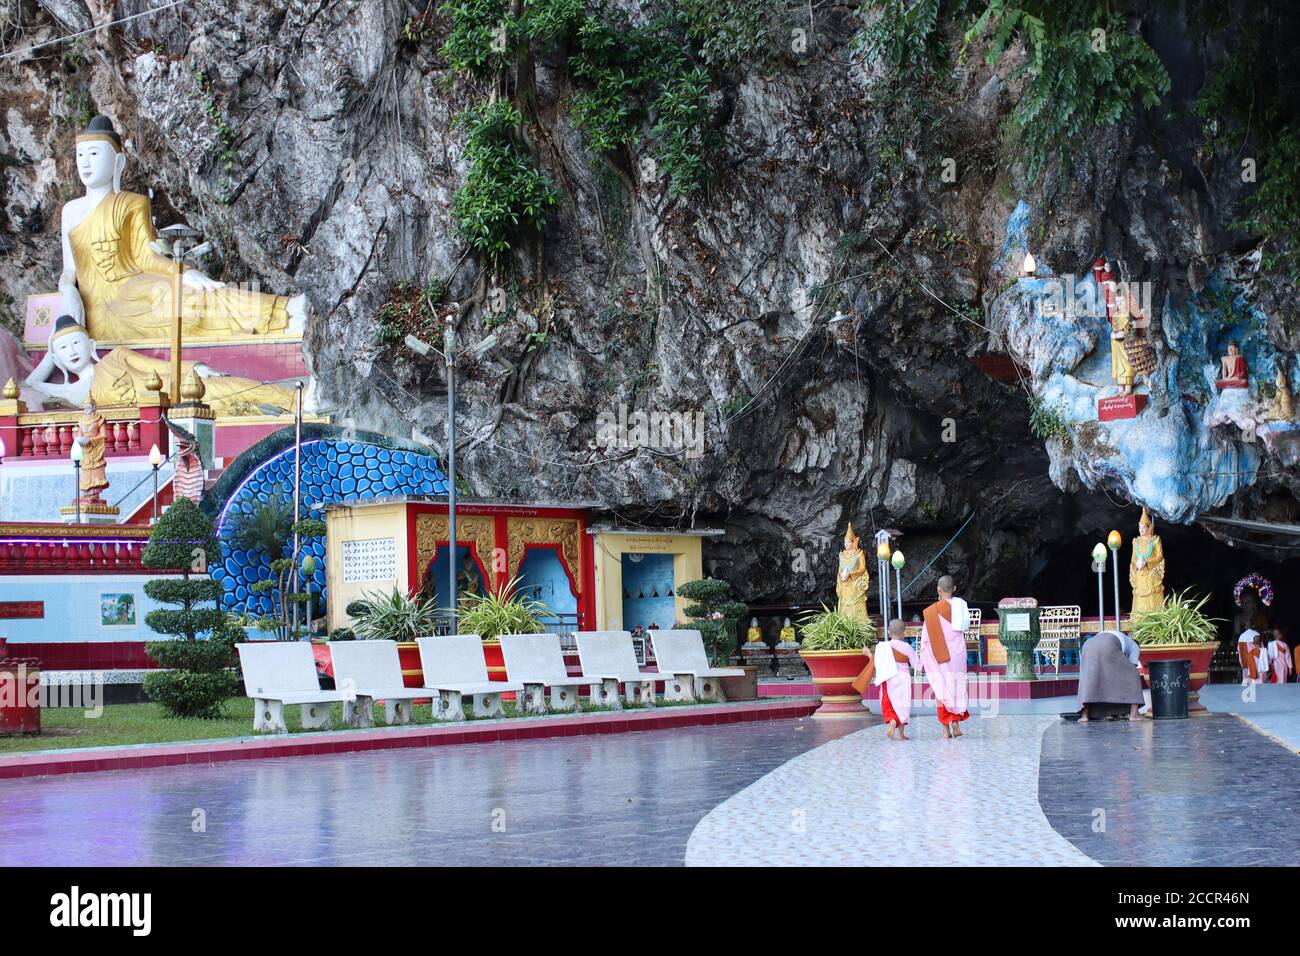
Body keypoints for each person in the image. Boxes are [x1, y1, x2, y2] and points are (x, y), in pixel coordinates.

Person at [919, 574, 969, 738]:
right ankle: (956, 724)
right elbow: (965, 626)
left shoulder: (931, 611)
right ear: (954, 588)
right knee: (956, 687)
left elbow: (925, 641)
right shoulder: (961, 606)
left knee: (942, 690)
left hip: (939, 656)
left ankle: (945, 729)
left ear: (938, 590)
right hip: (957, 654)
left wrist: (922, 660)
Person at [853, 620, 918, 740]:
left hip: (889, 678)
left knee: (890, 703)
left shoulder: (882, 647)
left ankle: (893, 721)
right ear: (904, 633)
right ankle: (901, 733)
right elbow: (917, 665)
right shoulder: (907, 647)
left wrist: (868, 653)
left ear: (889, 632)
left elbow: (876, 663)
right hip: (904, 679)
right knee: (903, 704)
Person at [1073, 630, 1144, 722]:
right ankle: (1134, 714)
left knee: (1089, 678)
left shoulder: (1119, 637)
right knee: (1133, 675)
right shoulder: (1134, 646)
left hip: (1087, 644)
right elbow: (1132, 666)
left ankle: (1084, 716)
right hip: (1108, 644)